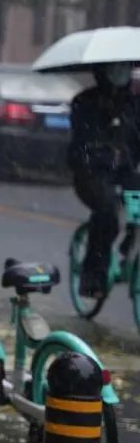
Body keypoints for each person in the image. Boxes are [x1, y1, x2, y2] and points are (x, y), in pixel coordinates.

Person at [68, 61, 140, 299]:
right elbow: (81, 141)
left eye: (125, 68)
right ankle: (93, 277)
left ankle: (130, 246)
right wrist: (103, 146)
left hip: (124, 173)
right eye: (115, 69)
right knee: (107, 212)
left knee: (137, 205)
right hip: (91, 174)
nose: (121, 73)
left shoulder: (134, 105)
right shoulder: (85, 102)